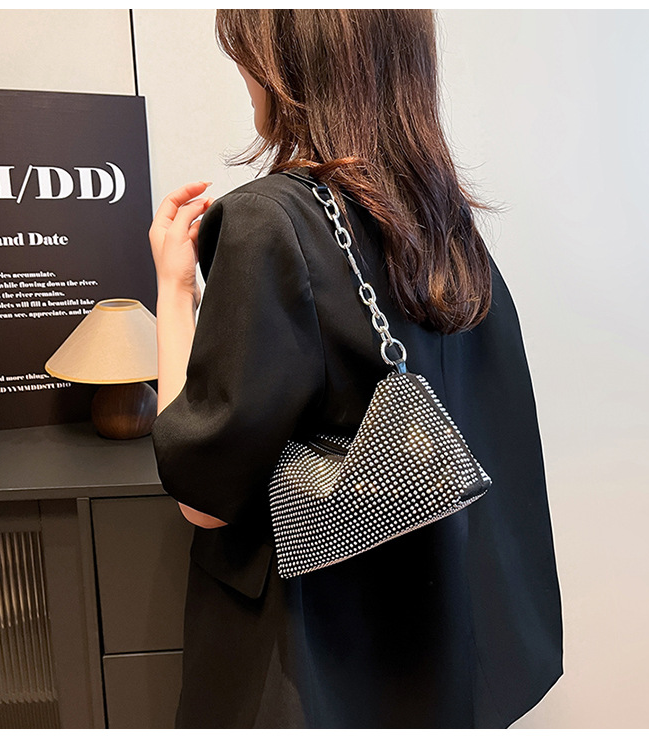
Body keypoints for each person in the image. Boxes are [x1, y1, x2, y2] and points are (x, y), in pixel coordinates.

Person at [150, 9, 563, 729]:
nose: (242, 73)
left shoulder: (269, 222)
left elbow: (204, 496)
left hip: (317, 671)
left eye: (244, 52)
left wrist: (174, 288)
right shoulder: (443, 220)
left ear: (284, 62)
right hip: (443, 659)